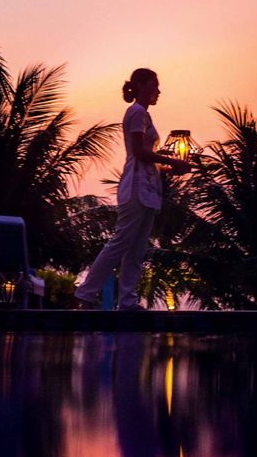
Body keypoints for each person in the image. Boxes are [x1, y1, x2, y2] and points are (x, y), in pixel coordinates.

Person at [75, 68, 191, 311]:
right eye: (154, 85)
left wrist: (170, 168)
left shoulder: (144, 115)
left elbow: (148, 159)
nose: (158, 91)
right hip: (136, 186)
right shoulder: (136, 111)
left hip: (148, 187)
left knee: (137, 248)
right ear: (141, 86)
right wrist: (171, 161)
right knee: (121, 241)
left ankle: (127, 300)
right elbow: (138, 152)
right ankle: (86, 292)